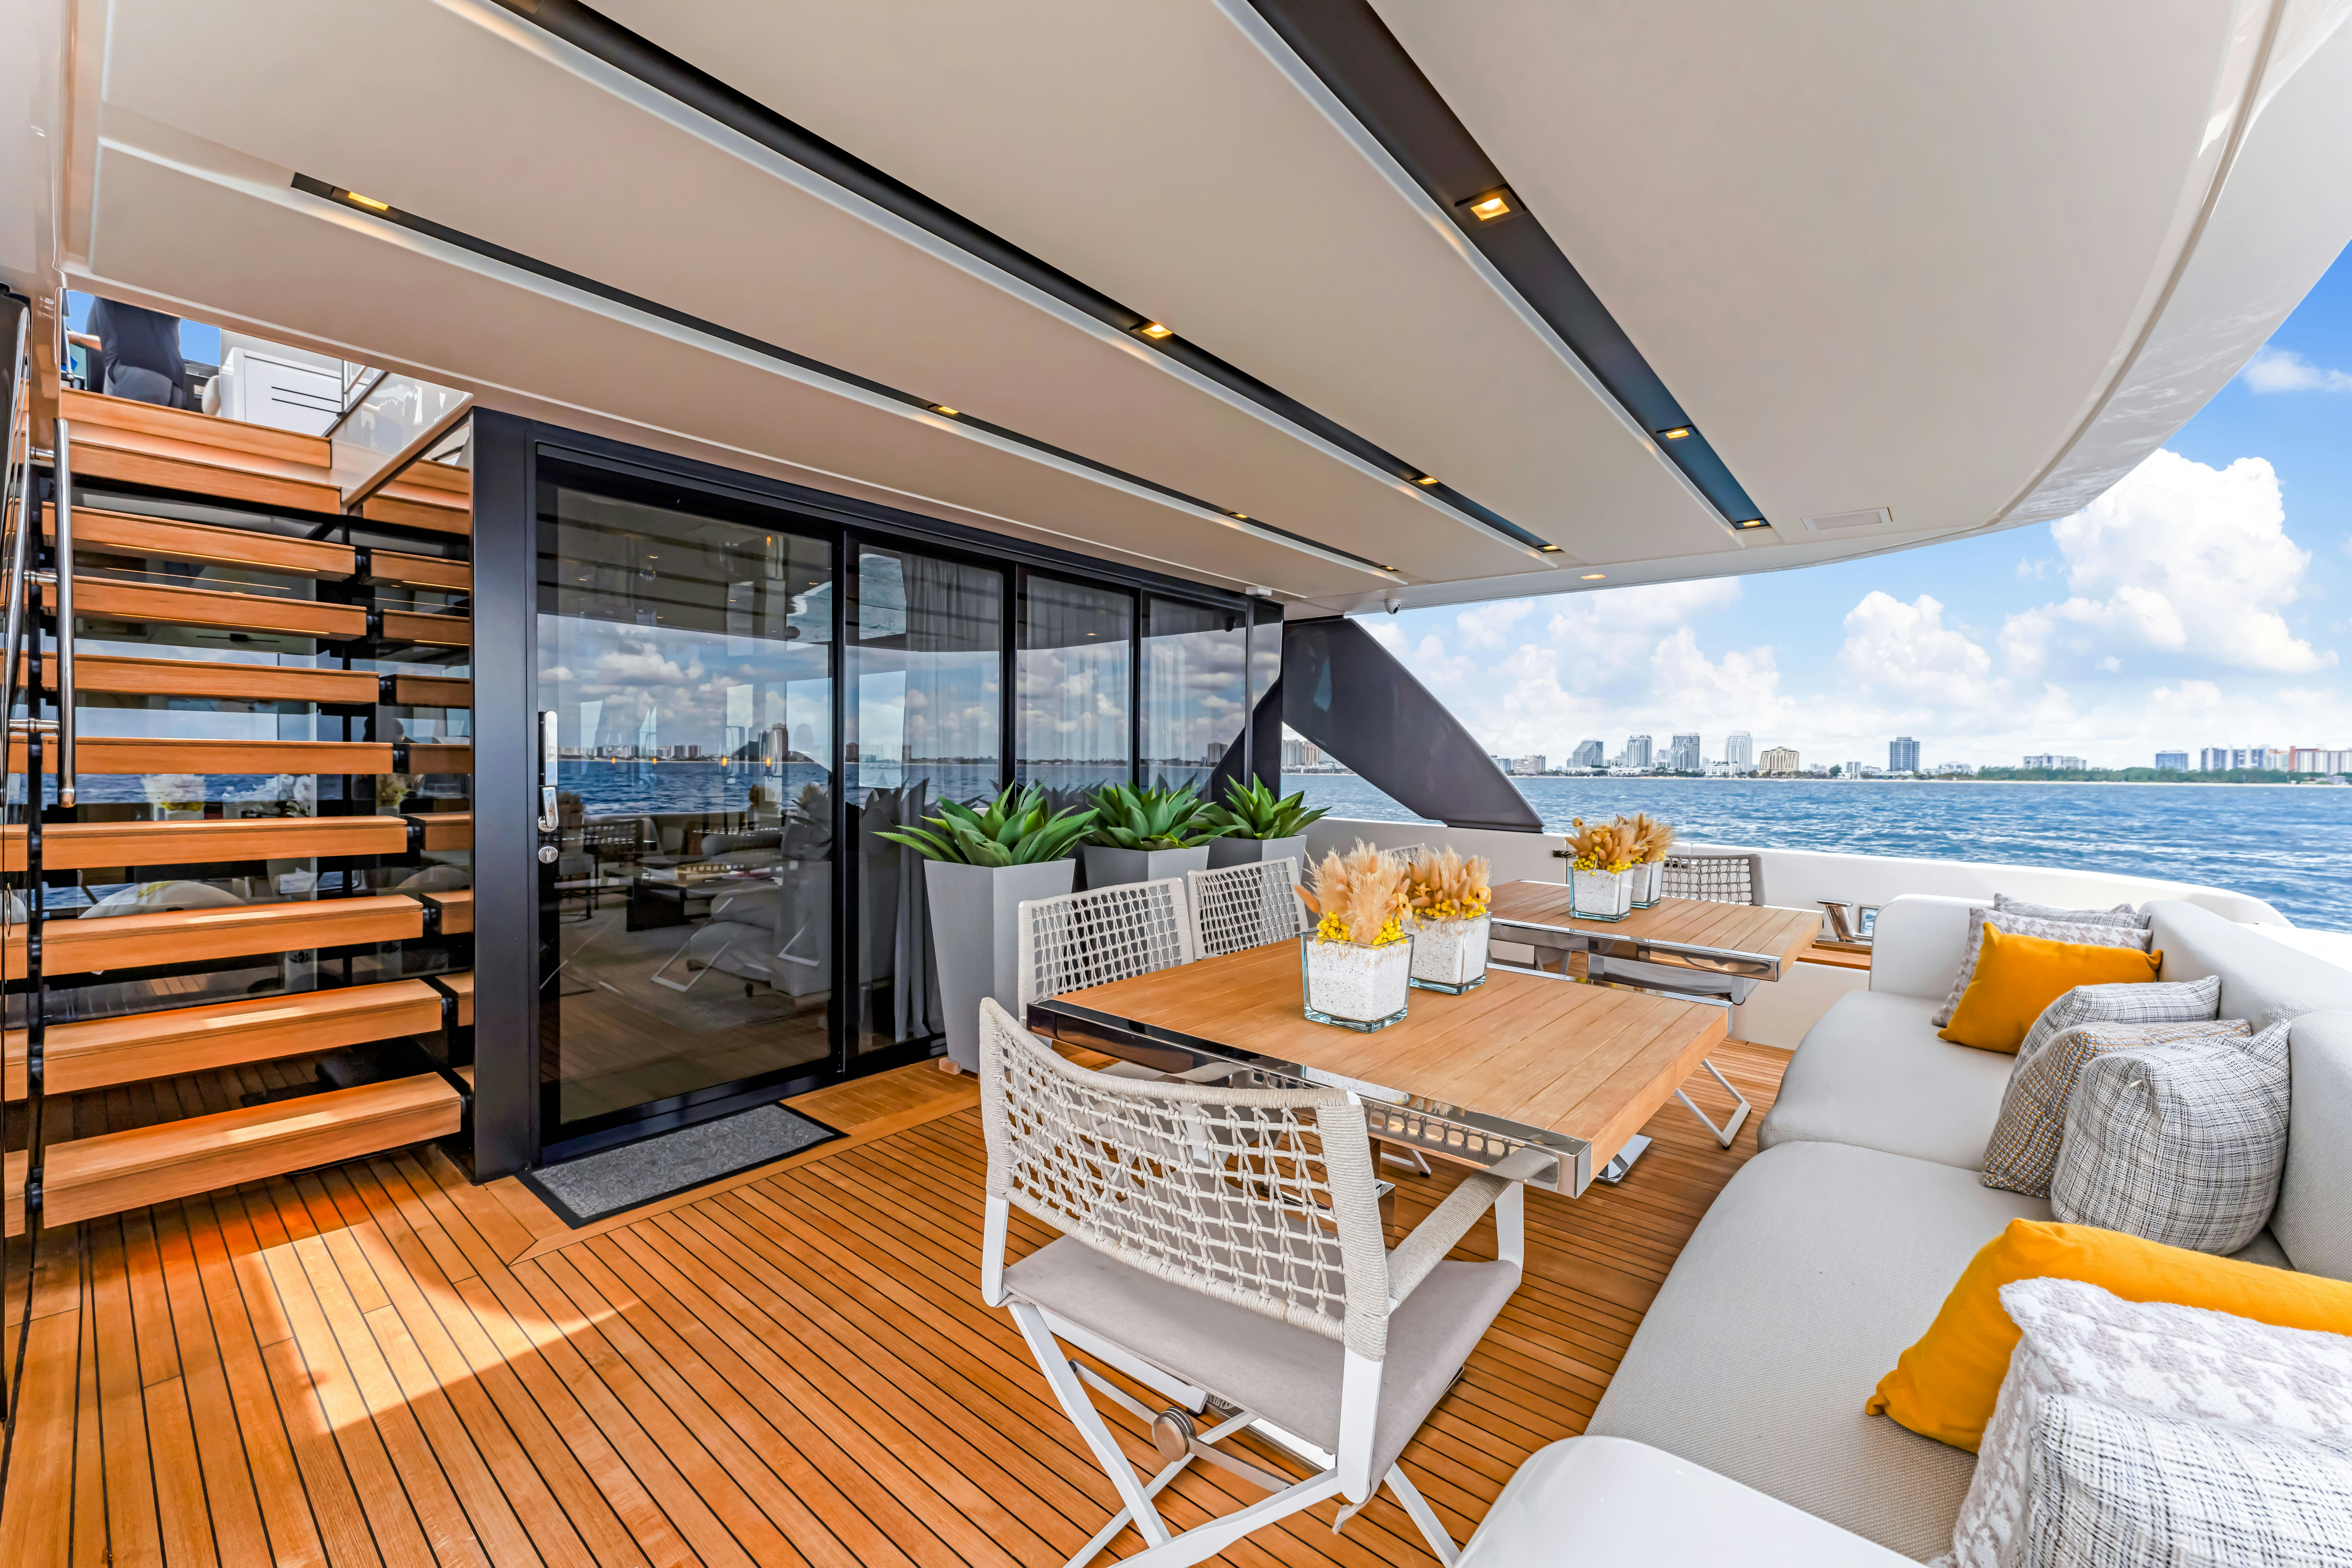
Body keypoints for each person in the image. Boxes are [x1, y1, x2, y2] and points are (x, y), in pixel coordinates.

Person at [83, 297, 190, 407]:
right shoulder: (168, 287)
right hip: (174, 377)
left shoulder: (109, 286)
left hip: (134, 370)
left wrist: (74, 338)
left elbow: (109, 343)